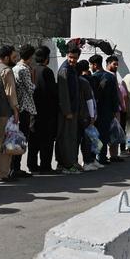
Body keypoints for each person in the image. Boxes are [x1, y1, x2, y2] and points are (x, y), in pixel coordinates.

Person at [0, 45, 20, 182]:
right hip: (3, 113)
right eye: (13, 57)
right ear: (6, 58)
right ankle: (3, 173)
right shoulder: (7, 71)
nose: (15, 59)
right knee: (5, 143)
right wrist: (16, 110)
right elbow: (11, 93)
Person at [28, 45, 58, 174]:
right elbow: (52, 92)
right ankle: (45, 166)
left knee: (34, 140)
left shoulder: (32, 70)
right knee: (47, 141)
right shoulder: (47, 71)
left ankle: (32, 165)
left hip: (33, 111)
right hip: (46, 112)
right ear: (46, 58)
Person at [11, 44, 36, 178]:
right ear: (30, 57)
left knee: (16, 138)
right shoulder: (25, 70)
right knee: (21, 139)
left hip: (17, 107)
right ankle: (16, 167)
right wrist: (33, 78)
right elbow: (31, 88)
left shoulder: (15, 68)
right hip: (25, 107)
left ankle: (13, 166)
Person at [56, 45, 82, 174]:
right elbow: (63, 93)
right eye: (70, 57)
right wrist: (67, 111)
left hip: (73, 110)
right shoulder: (65, 70)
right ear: (67, 55)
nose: (72, 60)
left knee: (70, 138)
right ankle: (66, 165)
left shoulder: (72, 69)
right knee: (66, 138)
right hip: (67, 112)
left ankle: (68, 163)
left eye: (75, 58)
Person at [90, 54, 118, 165]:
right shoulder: (111, 77)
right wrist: (115, 111)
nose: (90, 67)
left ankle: (92, 158)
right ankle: (102, 157)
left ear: (95, 65)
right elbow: (114, 96)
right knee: (104, 135)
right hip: (107, 111)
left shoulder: (93, 78)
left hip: (95, 111)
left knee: (93, 135)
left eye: (91, 65)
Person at [76, 60, 98, 171]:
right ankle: (88, 161)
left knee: (79, 139)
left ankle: (83, 161)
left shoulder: (76, 80)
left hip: (77, 114)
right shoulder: (84, 81)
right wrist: (92, 115)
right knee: (86, 139)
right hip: (85, 115)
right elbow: (90, 100)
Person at [106, 55, 125, 162]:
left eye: (117, 64)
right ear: (108, 64)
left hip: (116, 108)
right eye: (114, 64)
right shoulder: (108, 76)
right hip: (113, 109)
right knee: (113, 132)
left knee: (116, 132)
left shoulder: (113, 76)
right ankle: (112, 155)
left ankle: (114, 155)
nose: (116, 66)